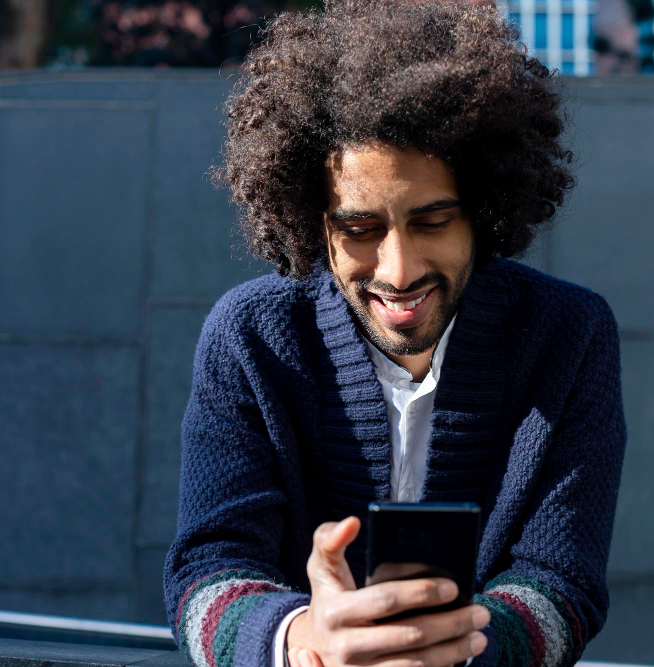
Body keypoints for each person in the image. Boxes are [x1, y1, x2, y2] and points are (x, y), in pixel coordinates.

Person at [162, 0, 628, 665]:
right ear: (312, 220)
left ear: (484, 211)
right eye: (360, 230)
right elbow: (206, 573)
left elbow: (563, 582)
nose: (398, 270)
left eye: (432, 222)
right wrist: (302, 639)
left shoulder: (569, 336)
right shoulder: (250, 337)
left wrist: (451, 648)